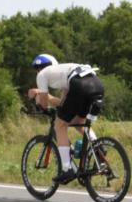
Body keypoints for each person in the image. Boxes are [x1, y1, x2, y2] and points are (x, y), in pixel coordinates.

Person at [26, 54, 104, 184]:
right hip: (96, 84)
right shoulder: (65, 72)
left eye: (39, 68)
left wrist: (38, 97)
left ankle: (67, 169)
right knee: (79, 122)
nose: (39, 71)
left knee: (59, 126)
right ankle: (98, 148)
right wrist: (48, 98)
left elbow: (45, 105)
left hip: (79, 85)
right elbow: (62, 103)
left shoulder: (41, 75)